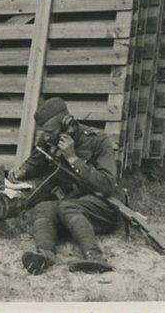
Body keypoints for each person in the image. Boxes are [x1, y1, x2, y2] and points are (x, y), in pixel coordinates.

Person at [8, 97, 120, 275]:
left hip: (102, 205)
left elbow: (107, 185)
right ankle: (45, 254)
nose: (44, 136)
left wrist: (73, 158)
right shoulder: (50, 139)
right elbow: (35, 162)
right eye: (43, 132)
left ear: (67, 124)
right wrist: (22, 172)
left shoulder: (98, 140)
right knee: (43, 207)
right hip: (73, 205)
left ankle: (95, 257)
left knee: (67, 206)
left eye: (49, 132)